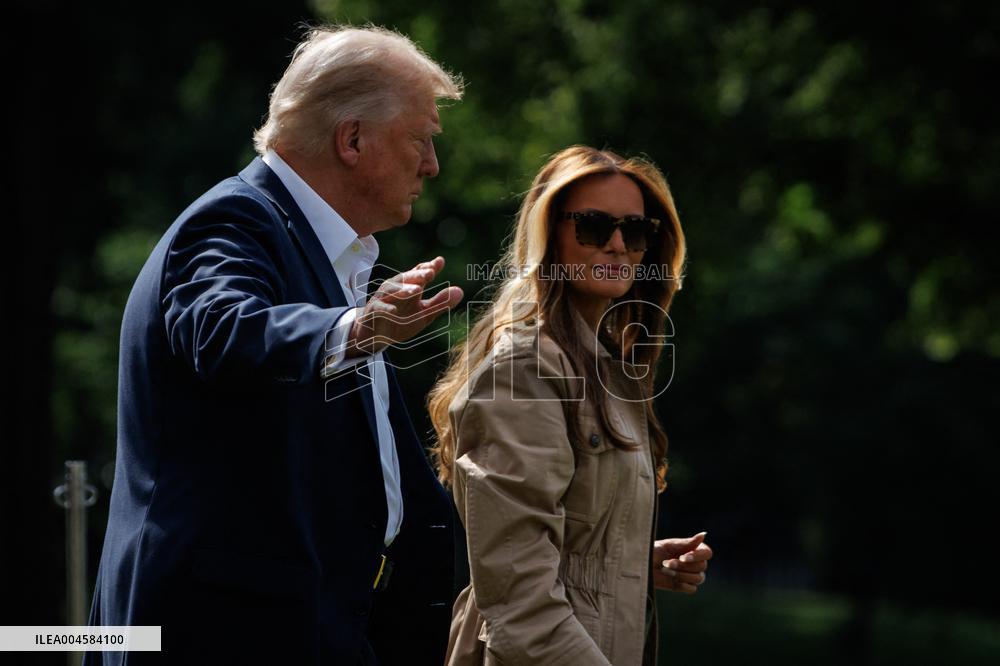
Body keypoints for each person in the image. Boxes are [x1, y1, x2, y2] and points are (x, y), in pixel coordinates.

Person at [85, 26, 464, 665]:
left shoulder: (328, 255)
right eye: (420, 140)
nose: (430, 164)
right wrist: (357, 327)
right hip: (216, 636)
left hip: (312, 629)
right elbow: (222, 329)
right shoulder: (234, 218)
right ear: (352, 140)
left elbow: (391, 486)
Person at [428, 146, 713, 665]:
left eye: (636, 230)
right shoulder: (524, 370)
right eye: (593, 226)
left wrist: (628, 561)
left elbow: (543, 548)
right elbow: (518, 602)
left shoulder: (607, 369)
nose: (619, 245)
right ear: (549, 235)